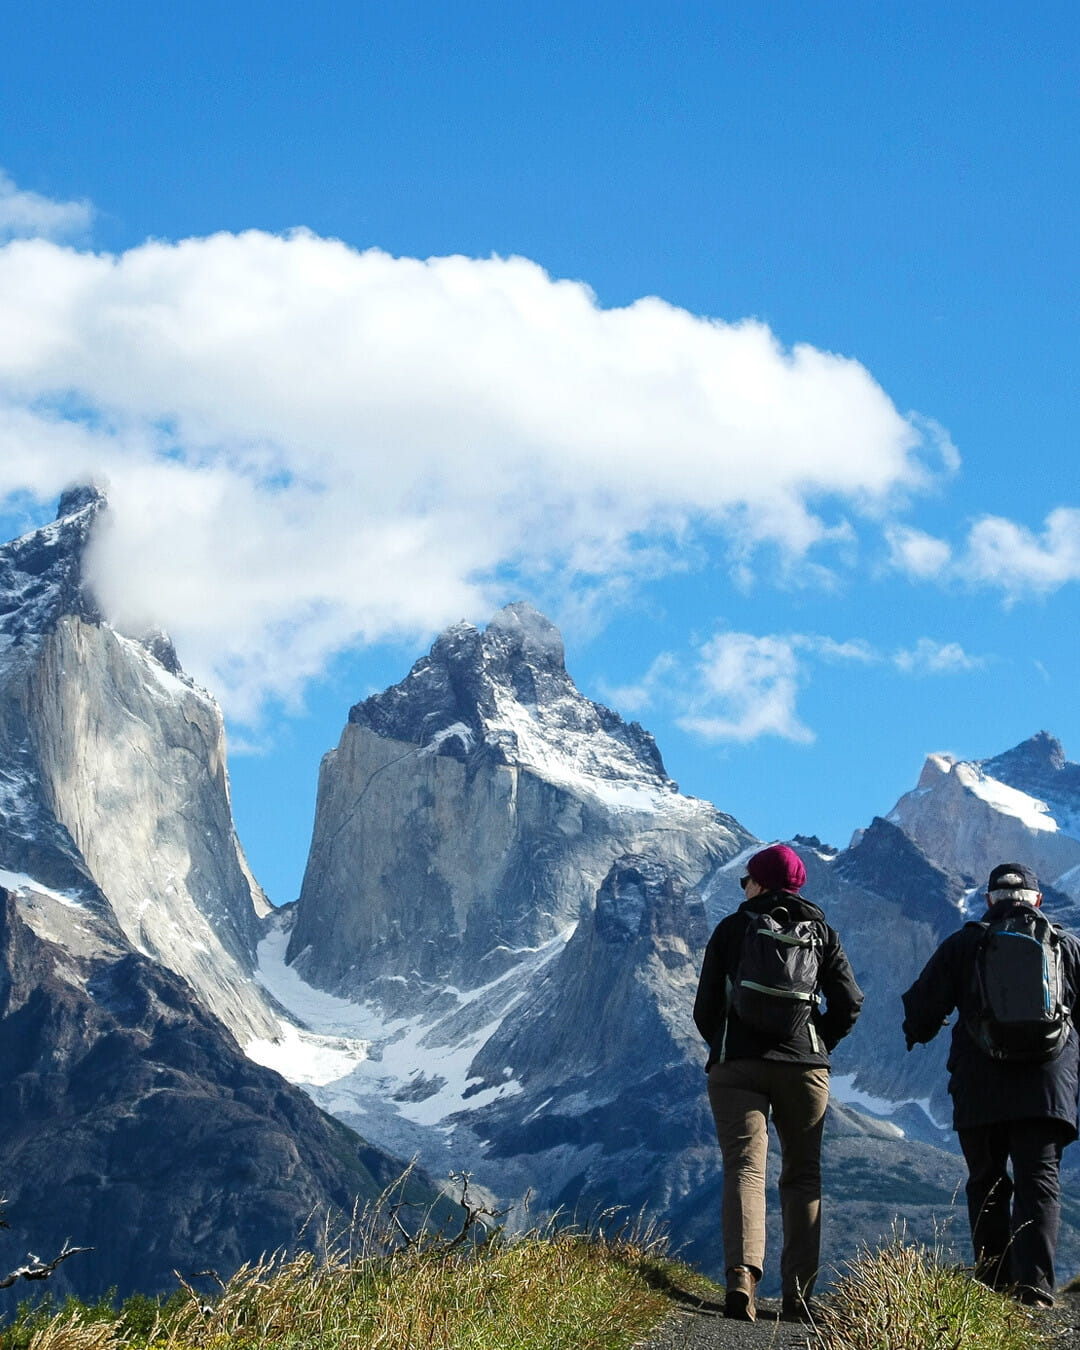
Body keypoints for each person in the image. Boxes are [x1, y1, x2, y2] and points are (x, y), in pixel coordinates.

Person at [694, 843, 863, 1322]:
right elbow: (850, 1002)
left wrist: (730, 1043)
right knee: (803, 1174)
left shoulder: (732, 929)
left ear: (761, 883)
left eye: (746, 880)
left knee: (746, 1168)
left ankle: (742, 1279)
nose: (743, 887)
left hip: (738, 1065)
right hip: (804, 1066)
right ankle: (799, 1297)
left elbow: (705, 1008)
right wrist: (815, 1042)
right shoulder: (823, 933)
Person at [902, 862, 1080, 1309]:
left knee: (987, 1180)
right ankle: (1035, 1288)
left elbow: (922, 1008)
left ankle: (993, 1283)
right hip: (1046, 1088)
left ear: (989, 901)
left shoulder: (965, 944)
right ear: (1038, 901)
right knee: (1039, 1182)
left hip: (980, 1085)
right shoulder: (1066, 947)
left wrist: (919, 1031)